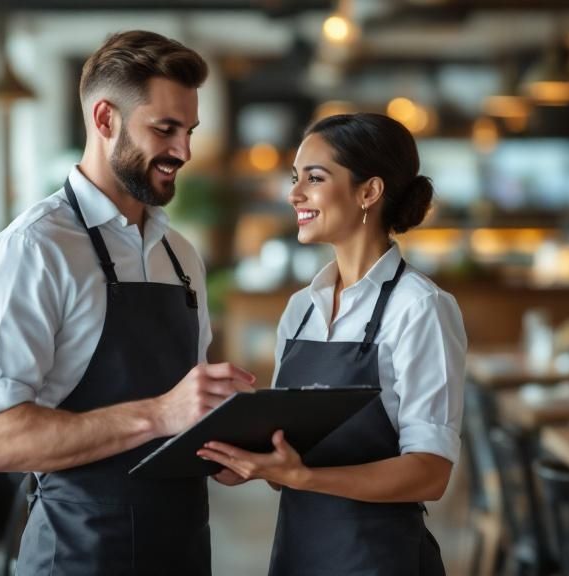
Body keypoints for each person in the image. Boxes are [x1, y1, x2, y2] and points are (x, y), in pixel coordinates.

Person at [0, 30, 256, 575]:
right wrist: (160, 413)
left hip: (183, 552)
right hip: (79, 556)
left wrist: (228, 443)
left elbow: (184, 415)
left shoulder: (181, 255)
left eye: (189, 131)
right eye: (164, 129)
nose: (184, 152)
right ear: (104, 120)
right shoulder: (34, 250)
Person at [199, 113, 466, 575]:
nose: (294, 194)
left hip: (380, 558)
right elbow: (289, 466)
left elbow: (430, 472)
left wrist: (304, 477)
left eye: (315, 178)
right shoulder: (301, 308)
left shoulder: (420, 308)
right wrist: (242, 451)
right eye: (294, 178)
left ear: (369, 192)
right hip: (298, 554)